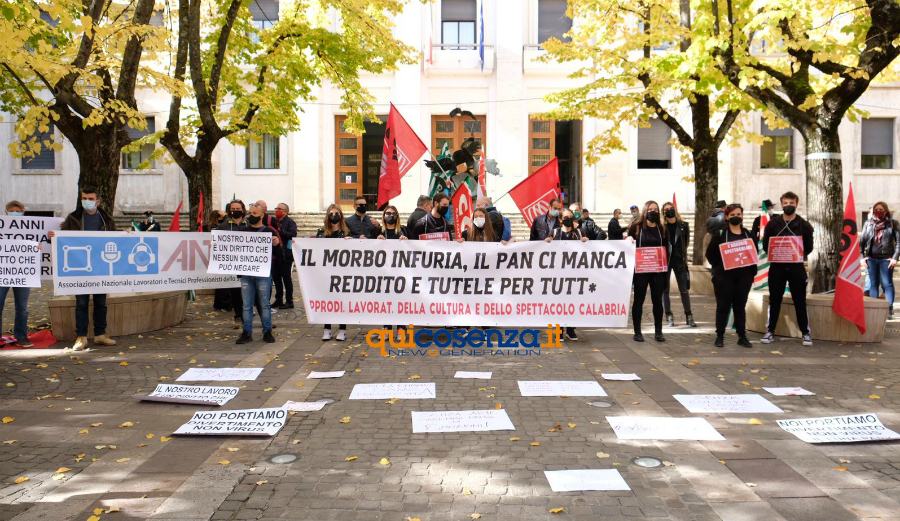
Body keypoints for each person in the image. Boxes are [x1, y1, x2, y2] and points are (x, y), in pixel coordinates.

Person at [50, 186, 118, 351]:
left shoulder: (106, 219)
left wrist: (126, 236)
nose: (87, 201)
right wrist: (54, 236)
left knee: (101, 302)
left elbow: (115, 238)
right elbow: (63, 236)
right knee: (81, 303)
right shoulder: (73, 218)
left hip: (101, 267)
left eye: (90, 199)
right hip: (79, 267)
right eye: (84, 198)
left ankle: (100, 334)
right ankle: (81, 337)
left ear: (98, 201)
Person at [762, 191, 814, 346]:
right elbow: (766, 245)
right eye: (786, 203)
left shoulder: (804, 225)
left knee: (800, 301)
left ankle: (805, 333)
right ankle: (770, 331)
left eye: (791, 203)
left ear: (796, 204)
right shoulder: (773, 223)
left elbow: (808, 247)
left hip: (796, 268)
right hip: (777, 268)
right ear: (782, 204)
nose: (788, 206)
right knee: (775, 300)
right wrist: (778, 252)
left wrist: (795, 253)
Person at [706, 203, 757, 348]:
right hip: (724, 278)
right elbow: (710, 255)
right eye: (732, 215)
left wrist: (750, 273)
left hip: (743, 278)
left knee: (740, 307)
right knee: (723, 306)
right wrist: (720, 268)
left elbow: (753, 254)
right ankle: (720, 336)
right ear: (727, 217)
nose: (736, 217)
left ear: (742, 216)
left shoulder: (748, 234)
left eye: (738, 214)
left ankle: (742, 336)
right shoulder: (720, 234)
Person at [235, 204, 279, 344]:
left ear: (261, 215)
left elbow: (279, 255)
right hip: (246, 274)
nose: (250, 215)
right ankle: (246, 332)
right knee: (247, 305)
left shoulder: (269, 231)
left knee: (264, 304)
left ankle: (267, 332)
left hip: (263, 274)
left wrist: (276, 245)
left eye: (254, 213)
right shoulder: (242, 231)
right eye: (250, 213)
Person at [545, 209, 589, 341]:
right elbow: (546, 245)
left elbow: (588, 248)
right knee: (559, 302)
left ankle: (570, 329)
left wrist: (586, 240)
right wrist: (547, 241)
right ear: (560, 219)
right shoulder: (555, 232)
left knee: (572, 302)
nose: (567, 219)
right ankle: (559, 330)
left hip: (574, 273)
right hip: (558, 274)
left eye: (570, 217)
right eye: (565, 217)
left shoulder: (579, 232)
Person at [628, 201, 667, 343]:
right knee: (639, 300)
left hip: (657, 271)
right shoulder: (636, 227)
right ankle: (637, 332)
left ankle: (658, 332)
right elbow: (628, 244)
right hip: (641, 271)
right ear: (645, 211)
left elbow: (666, 248)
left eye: (656, 210)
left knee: (657, 301)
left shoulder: (662, 228)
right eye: (650, 209)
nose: (653, 212)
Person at [1, 201, 33, 347]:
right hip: (3, 273)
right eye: (12, 211)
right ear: (6, 212)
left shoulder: (31, 228)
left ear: (23, 212)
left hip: (23, 273)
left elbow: (40, 242)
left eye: (17, 211)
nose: (15, 213)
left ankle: (21, 336)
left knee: (22, 307)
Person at [860, 201, 899, 319]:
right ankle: (874, 309)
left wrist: (894, 258)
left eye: (881, 209)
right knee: (873, 285)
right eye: (876, 209)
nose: (878, 211)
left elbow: (899, 243)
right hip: (871, 259)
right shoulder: (868, 223)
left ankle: (889, 309)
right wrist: (862, 258)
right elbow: (861, 242)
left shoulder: (893, 224)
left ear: (886, 211)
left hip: (886, 259)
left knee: (887, 284)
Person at [317, 204, 349, 341]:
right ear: (327, 216)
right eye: (331, 213)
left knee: (341, 301)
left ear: (341, 216)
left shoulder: (347, 233)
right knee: (327, 301)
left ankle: (342, 329)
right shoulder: (321, 232)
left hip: (342, 274)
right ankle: (327, 328)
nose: (334, 216)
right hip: (326, 273)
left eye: (337, 213)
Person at [661, 202, 695, 327]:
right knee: (665, 290)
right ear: (663, 212)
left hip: (679, 261)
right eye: (666, 210)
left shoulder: (684, 225)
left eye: (671, 208)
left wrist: (683, 258)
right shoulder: (662, 227)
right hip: (666, 261)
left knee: (684, 289)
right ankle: (669, 316)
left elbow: (685, 243)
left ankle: (689, 315)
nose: (669, 211)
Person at [218, 200, 249, 328]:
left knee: (250, 290)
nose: (235, 210)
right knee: (235, 291)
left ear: (242, 209)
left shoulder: (249, 224)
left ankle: (250, 314)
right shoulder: (224, 225)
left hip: (248, 263)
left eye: (238, 208)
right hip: (232, 263)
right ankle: (238, 315)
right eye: (233, 208)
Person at [204, 209, 231, 312]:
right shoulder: (222, 225)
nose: (225, 213)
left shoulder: (210, 226)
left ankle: (219, 304)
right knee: (224, 282)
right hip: (221, 256)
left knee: (220, 282)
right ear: (219, 217)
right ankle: (224, 304)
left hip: (217, 257)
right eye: (222, 213)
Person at [272, 203, 298, 309]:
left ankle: (289, 301)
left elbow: (292, 235)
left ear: (285, 211)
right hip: (275, 254)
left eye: (279, 209)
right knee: (276, 279)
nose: (277, 210)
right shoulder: (274, 221)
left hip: (285, 255)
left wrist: (280, 231)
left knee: (286, 279)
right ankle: (278, 300)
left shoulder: (290, 222)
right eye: (276, 208)